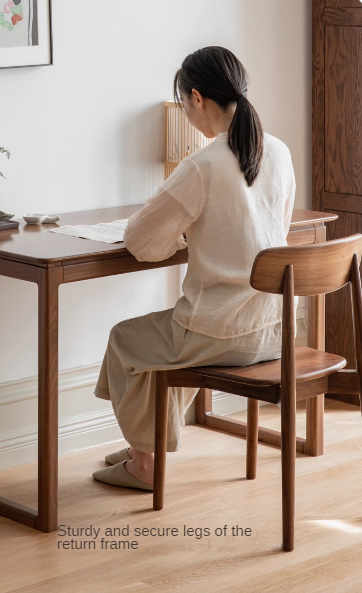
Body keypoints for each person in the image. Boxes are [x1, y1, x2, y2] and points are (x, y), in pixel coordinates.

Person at [92, 46, 296, 491]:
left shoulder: (201, 165)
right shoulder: (277, 152)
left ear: (198, 98)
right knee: (158, 342)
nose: (186, 113)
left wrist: (182, 234)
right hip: (275, 329)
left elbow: (140, 241)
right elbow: (275, 231)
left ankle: (144, 463)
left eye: (184, 105)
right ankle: (140, 451)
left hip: (221, 332)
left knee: (127, 341)